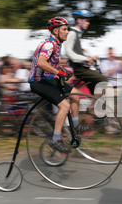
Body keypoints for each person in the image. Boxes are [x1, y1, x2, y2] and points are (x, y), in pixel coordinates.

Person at [28, 17, 81, 154]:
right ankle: (55, 140)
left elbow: (50, 64)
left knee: (75, 94)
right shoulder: (49, 45)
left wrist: (61, 71)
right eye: (64, 29)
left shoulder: (57, 43)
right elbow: (41, 62)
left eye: (67, 29)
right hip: (38, 81)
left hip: (48, 79)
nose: (67, 32)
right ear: (55, 31)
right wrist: (58, 72)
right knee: (64, 105)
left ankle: (75, 127)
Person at [64, 10, 108, 94]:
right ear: (79, 20)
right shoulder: (72, 33)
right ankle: (92, 106)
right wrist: (86, 58)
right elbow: (69, 52)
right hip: (80, 69)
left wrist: (90, 57)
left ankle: (94, 106)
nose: (88, 23)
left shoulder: (77, 34)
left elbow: (78, 52)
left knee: (95, 89)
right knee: (103, 80)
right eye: (87, 21)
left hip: (83, 68)